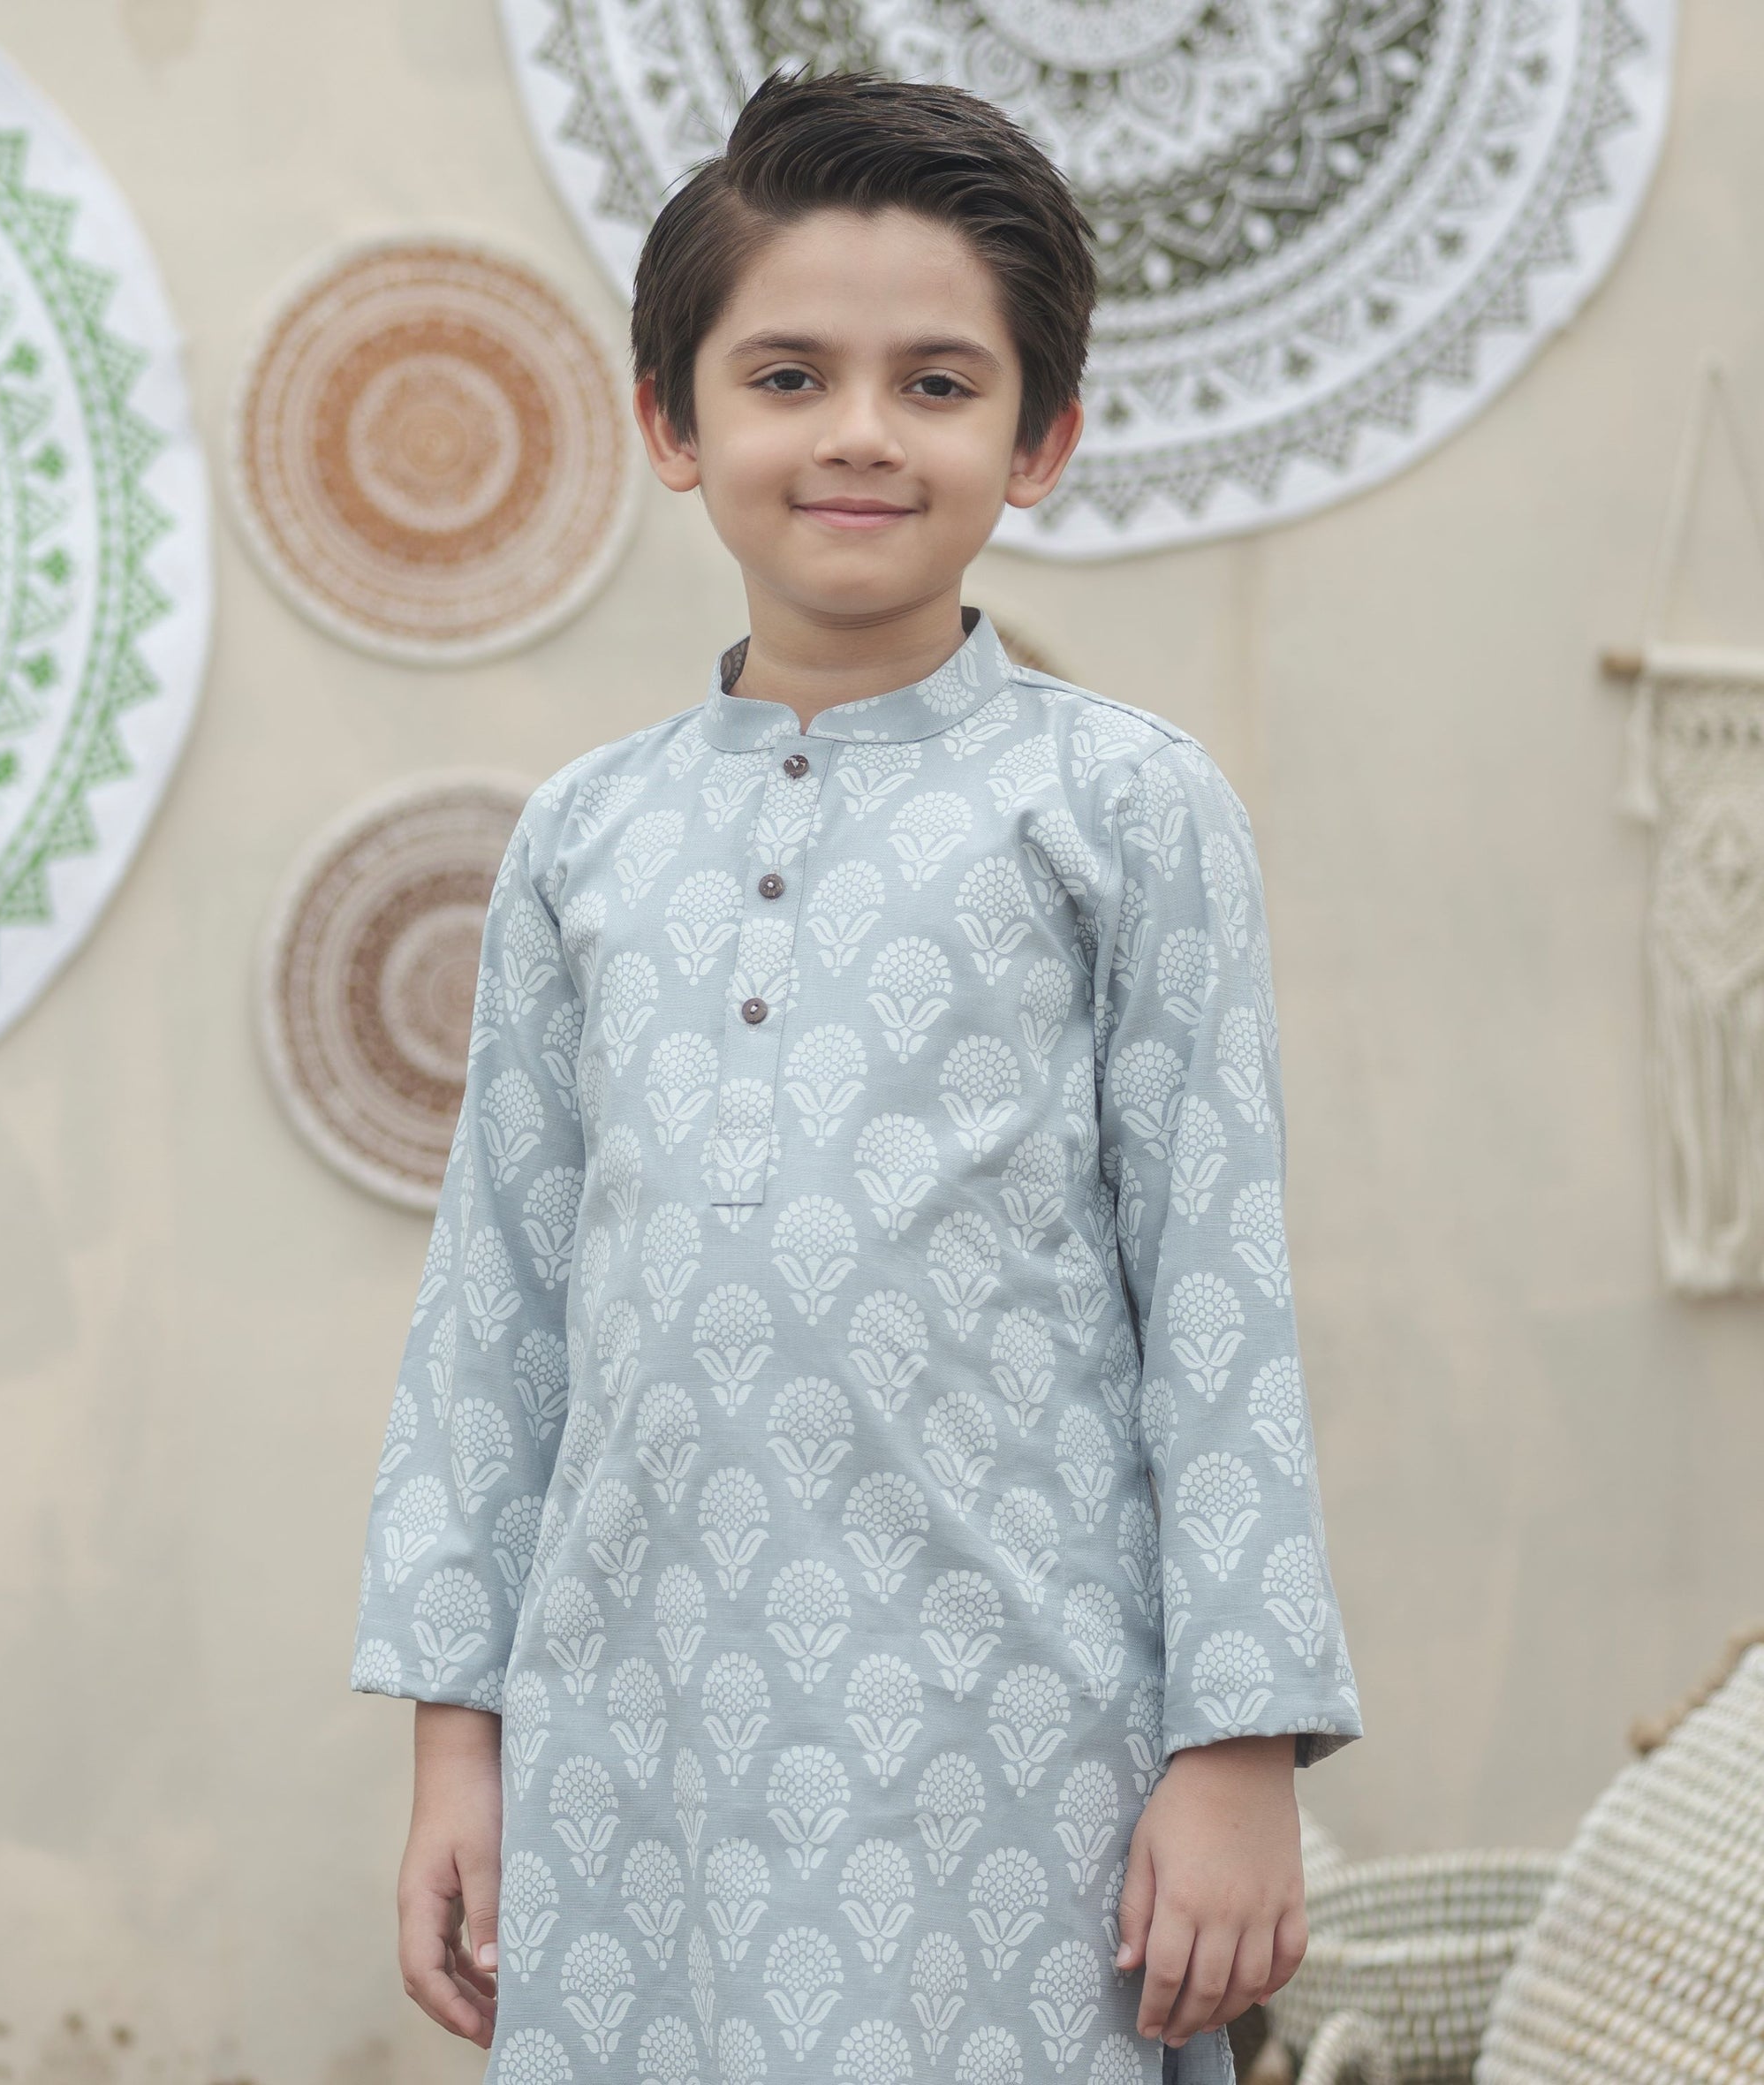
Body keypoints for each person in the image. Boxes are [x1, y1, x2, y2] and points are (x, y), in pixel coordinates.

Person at [348, 64, 1361, 2085]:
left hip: (1016, 1737)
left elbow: (1217, 1297)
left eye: (937, 382)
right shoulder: (582, 838)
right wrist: (459, 1742)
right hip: (630, 1739)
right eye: (789, 375)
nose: (860, 434)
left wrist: (1237, 1747)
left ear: (1040, 436)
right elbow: (495, 1313)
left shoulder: (1124, 812)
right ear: (673, 420)